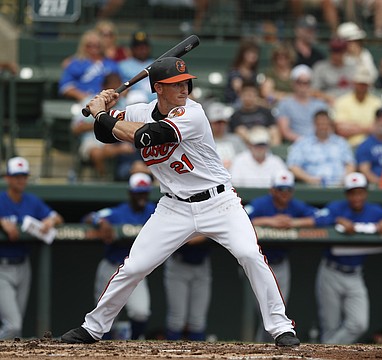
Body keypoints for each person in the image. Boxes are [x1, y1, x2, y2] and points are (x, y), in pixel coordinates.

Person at [60, 56, 300, 347]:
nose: (184, 88)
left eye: (186, 83)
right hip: (174, 206)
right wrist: (104, 109)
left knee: (250, 255)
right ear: (158, 88)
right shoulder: (139, 110)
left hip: (219, 201)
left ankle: (281, 327)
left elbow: (147, 137)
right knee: (134, 266)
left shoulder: (193, 114)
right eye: (176, 84)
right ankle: (93, 327)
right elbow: (104, 134)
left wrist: (101, 115)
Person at [314, 172, 382, 344]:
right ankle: (328, 353)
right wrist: (337, 220)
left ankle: (327, 351)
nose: (357, 197)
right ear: (347, 194)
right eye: (353, 193)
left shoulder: (374, 210)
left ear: (365, 193)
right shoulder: (337, 207)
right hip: (331, 271)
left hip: (355, 275)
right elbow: (317, 218)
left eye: (360, 192)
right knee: (330, 325)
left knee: (359, 324)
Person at [245, 169, 317, 342]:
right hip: (258, 266)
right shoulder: (262, 204)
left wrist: (293, 222)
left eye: (287, 190)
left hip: (281, 264)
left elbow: (319, 217)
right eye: (280, 190)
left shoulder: (295, 205)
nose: (284, 194)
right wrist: (269, 221)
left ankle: (265, 348)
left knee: (277, 312)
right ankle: (256, 347)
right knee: (263, 312)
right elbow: (242, 217)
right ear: (272, 190)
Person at [83, 172, 156, 340]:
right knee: (105, 316)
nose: (142, 197)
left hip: (136, 268)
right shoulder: (117, 212)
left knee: (140, 312)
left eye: (144, 192)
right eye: (138, 192)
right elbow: (89, 216)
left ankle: (132, 345)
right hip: (112, 265)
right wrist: (100, 222)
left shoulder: (154, 210)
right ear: (130, 193)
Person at [0, 157, 64, 339]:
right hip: (2, 267)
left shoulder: (32, 201)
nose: (20, 180)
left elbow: (58, 217)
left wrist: (50, 220)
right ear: (8, 178)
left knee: (15, 326)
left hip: (23, 265)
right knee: (13, 325)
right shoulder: (1, 199)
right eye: (16, 176)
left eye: (23, 176)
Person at [287, 110, 355, 187]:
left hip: (340, 186)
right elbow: (293, 166)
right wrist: (309, 179)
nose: (323, 127)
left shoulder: (341, 142)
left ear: (330, 124)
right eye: (320, 124)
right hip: (313, 187)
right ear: (314, 124)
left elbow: (350, 164)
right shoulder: (302, 143)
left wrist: (344, 179)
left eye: (325, 124)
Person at [164, 235, 212, 341]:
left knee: (197, 321)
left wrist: (207, 235)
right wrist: (206, 235)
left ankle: (198, 355)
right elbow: (185, 239)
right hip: (178, 263)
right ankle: (170, 355)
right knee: (177, 319)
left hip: (202, 264)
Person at [59, 29, 119, 102]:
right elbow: (66, 87)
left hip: (108, 99)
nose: (94, 48)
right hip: (84, 100)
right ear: (83, 46)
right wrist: (82, 96)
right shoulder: (75, 63)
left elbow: (119, 84)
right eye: (90, 45)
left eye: (97, 45)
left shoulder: (110, 64)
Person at [276, 64, 328, 143]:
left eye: (306, 83)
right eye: (299, 82)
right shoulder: (285, 104)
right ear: (293, 83)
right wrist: (304, 141)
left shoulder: (320, 105)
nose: (303, 86)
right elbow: (285, 131)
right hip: (296, 144)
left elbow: (328, 128)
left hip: (320, 142)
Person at [333, 66, 382, 147]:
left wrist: (352, 126)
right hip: (348, 145)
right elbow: (341, 130)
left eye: (365, 84)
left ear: (369, 85)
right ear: (354, 83)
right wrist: (367, 128)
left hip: (372, 146)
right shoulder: (342, 101)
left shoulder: (377, 103)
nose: (362, 87)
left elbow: (379, 128)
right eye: (360, 83)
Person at [311, 38, 355, 102]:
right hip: (327, 104)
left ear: (345, 52)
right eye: (334, 51)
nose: (336, 55)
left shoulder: (352, 67)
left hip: (350, 103)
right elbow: (312, 91)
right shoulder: (320, 67)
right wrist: (326, 97)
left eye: (340, 52)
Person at [206, 101, 247, 170]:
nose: (220, 126)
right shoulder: (205, 142)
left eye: (222, 122)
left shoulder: (235, 140)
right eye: (216, 123)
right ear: (209, 123)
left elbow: (245, 160)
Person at [118, 30, 156, 104]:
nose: (142, 50)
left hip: (154, 101)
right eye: (138, 47)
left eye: (144, 47)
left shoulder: (156, 64)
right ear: (132, 48)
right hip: (133, 101)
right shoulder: (123, 65)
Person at [336, 22, 378, 86]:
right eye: (352, 41)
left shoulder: (365, 53)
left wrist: (358, 57)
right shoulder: (339, 57)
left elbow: (373, 75)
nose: (356, 44)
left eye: (357, 41)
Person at [224, 39, 261, 108]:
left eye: (255, 53)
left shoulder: (253, 72)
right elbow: (238, 88)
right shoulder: (234, 71)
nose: (253, 56)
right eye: (250, 53)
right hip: (234, 104)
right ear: (242, 54)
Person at [260, 42, 296, 107]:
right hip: (275, 106)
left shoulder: (295, 73)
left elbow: (303, 93)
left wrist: (278, 94)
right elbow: (267, 93)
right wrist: (289, 97)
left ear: (290, 58)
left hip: (294, 106)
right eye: (278, 57)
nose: (281, 60)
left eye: (285, 57)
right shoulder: (270, 73)